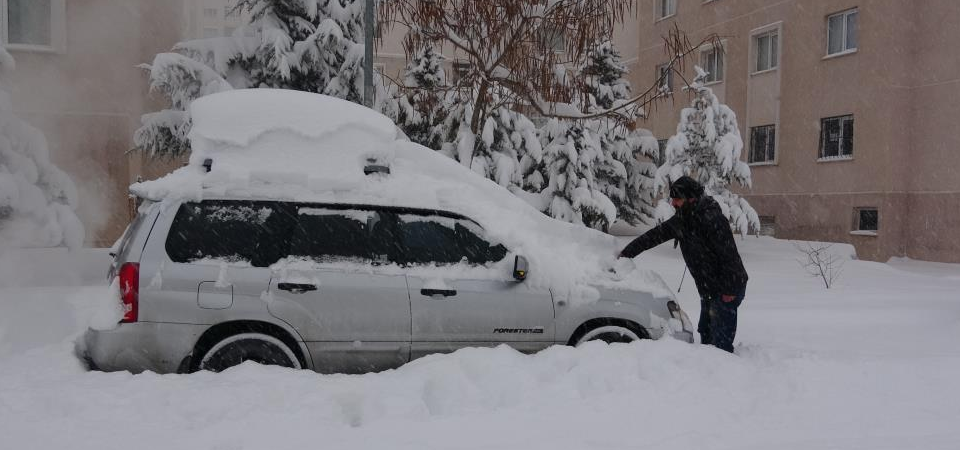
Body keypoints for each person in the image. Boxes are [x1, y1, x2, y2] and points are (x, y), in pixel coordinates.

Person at [617, 176, 748, 353]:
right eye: (672, 199)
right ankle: (708, 370)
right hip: (709, 288)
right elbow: (654, 236)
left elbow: (729, 256)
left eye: (677, 199)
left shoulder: (713, 219)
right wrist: (627, 252)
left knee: (720, 341)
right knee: (706, 332)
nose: (673, 203)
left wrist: (730, 290)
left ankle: (723, 374)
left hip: (728, 287)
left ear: (691, 198)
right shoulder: (683, 220)